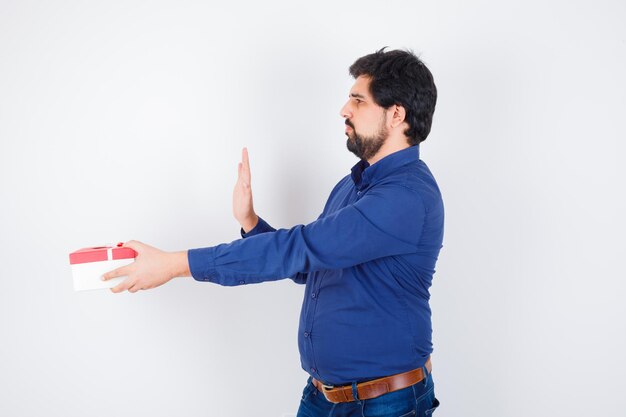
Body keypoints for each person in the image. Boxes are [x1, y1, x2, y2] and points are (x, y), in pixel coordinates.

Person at [102, 47, 444, 417]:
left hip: (385, 404)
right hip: (324, 397)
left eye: (358, 100)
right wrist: (250, 222)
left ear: (396, 115)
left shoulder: (405, 198)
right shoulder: (353, 186)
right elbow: (311, 265)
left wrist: (174, 264)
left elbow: (301, 248)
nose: (344, 110)